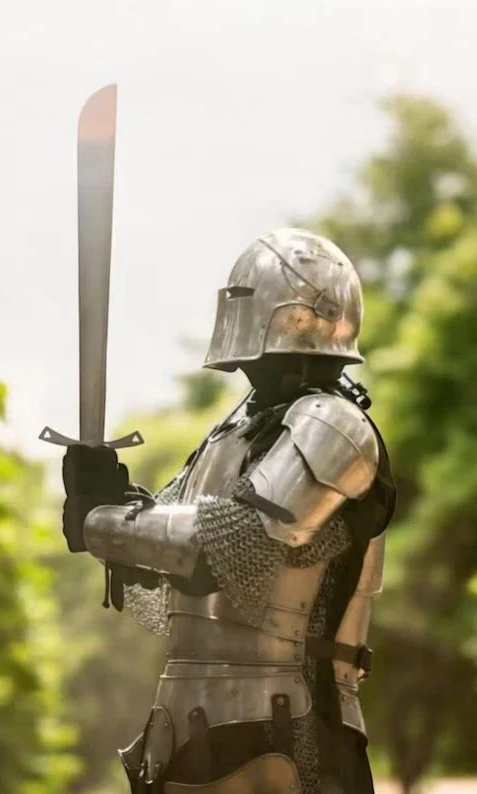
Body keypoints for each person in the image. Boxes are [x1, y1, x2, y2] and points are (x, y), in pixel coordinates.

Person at [63, 228, 396, 794]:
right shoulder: (234, 433)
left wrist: (100, 522)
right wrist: (112, 500)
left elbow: (219, 545)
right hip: (191, 723)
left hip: (287, 719)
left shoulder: (333, 425)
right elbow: (173, 549)